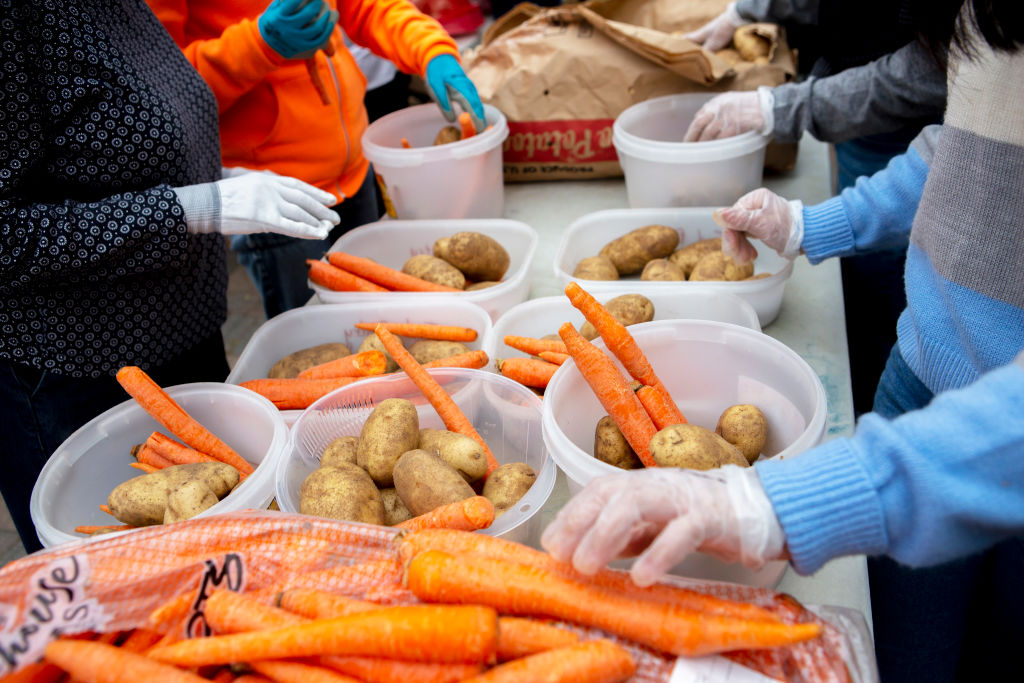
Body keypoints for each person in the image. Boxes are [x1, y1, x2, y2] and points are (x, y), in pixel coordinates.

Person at [543, 1, 1024, 679]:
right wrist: (811, 223)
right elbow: (965, 150)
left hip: (1002, 439)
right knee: (902, 646)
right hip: (914, 379)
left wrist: (768, 502)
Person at [0, 0, 340, 554]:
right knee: (119, 583)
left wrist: (217, 176)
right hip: (77, 373)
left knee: (221, 552)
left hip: (184, 341)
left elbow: (113, 143)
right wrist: (191, 209)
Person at [682, 0, 953, 419]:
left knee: (884, 293)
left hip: (987, 376)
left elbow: (940, 77)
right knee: (871, 331)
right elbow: (958, 156)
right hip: (922, 354)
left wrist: (784, 109)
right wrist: (804, 226)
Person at [147, 0, 487, 318]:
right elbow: (159, 90)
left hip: (355, 173)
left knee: (383, 310)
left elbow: (366, 8)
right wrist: (258, 46)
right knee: (318, 328)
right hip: (275, 197)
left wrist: (430, 50)